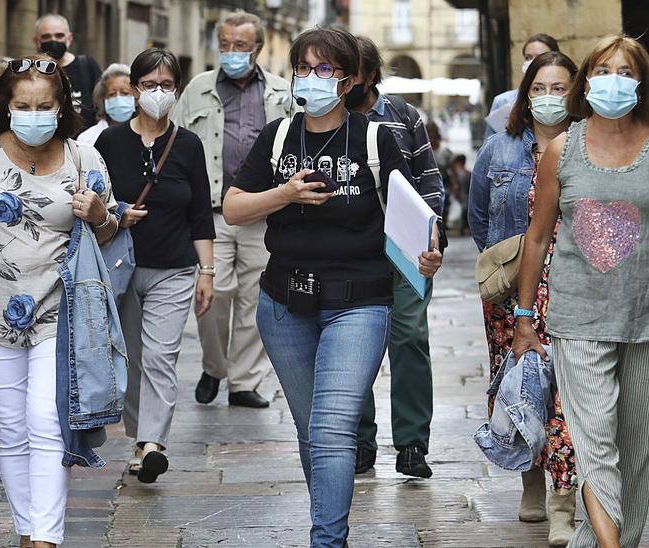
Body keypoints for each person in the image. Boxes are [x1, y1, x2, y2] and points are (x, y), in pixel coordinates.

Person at [222, 28, 441, 547]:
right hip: (284, 305)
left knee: (333, 429)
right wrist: (284, 193)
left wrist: (428, 253)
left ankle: (327, 540)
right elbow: (233, 207)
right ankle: (328, 526)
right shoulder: (278, 136)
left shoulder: (374, 139)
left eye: (324, 69)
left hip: (358, 302)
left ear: (347, 81)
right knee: (311, 432)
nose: (311, 78)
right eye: (303, 68)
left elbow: (411, 214)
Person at [0, 55, 119, 548]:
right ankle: (28, 531)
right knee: (10, 428)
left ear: (61, 107)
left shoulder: (85, 158)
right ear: (7, 105)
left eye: (44, 106)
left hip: (60, 311)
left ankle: (45, 538)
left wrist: (100, 215)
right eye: (24, 105)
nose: (34, 115)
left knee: (46, 421)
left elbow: (108, 233)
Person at [513, 35, 649, 548]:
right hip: (579, 319)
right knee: (597, 448)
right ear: (587, 81)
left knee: (637, 452)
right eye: (603, 71)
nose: (613, 81)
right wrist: (524, 318)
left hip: (645, 318)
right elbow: (537, 237)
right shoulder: (562, 149)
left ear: (642, 83)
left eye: (625, 72)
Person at [468, 51, 580, 547]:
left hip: (573, 288)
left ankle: (563, 501)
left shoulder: (587, 145)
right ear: (524, 95)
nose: (548, 98)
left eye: (559, 88)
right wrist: (509, 267)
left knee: (566, 395)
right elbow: (478, 217)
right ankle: (530, 480)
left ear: (575, 93)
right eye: (538, 88)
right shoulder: (499, 149)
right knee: (520, 385)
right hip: (512, 294)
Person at [94, 49, 214, 483]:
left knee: (161, 355)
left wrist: (207, 271)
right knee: (130, 358)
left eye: (166, 85)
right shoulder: (109, 143)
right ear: (134, 88)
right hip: (122, 267)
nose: (157, 93)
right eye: (148, 85)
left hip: (175, 268)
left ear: (177, 90)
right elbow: (94, 202)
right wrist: (116, 215)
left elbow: (200, 212)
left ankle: (152, 443)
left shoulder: (189, 144)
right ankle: (138, 437)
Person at [170, 10, 294, 409]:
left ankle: (243, 382)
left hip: (264, 211)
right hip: (211, 213)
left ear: (257, 48)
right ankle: (214, 366)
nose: (231, 52)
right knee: (212, 293)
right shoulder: (198, 88)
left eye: (240, 45)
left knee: (256, 298)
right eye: (224, 45)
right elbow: (176, 143)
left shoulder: (282, 92)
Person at [347, 35, 447, 479]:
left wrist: (432, 233)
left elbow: (429, 179)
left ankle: (411, 445)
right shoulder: (325, 119)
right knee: (354, 344)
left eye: (351, 72)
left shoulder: (404, 116)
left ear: (370, 75)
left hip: (407, 248)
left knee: (408, 338)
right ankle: (358, 442)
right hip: (350, 253)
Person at [33, 14, 103, 129]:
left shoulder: (86, 66)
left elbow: (101, 104)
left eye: (59, 36)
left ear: (69, 38)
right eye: (46, 36)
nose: (53, 40)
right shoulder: (30, 71)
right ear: (36, 41)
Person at [486, 34, 560, 138]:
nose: (532, 62)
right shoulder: (503, 101)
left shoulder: (562, 99)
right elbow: (490, 144)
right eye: (528, 57)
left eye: (540, 57)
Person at [77, 63, 134, 146]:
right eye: (112, 94)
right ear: (103, 99)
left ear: (136, 96)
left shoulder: (147, 134)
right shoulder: (87, 139)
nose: (118, 98)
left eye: (125, 93)